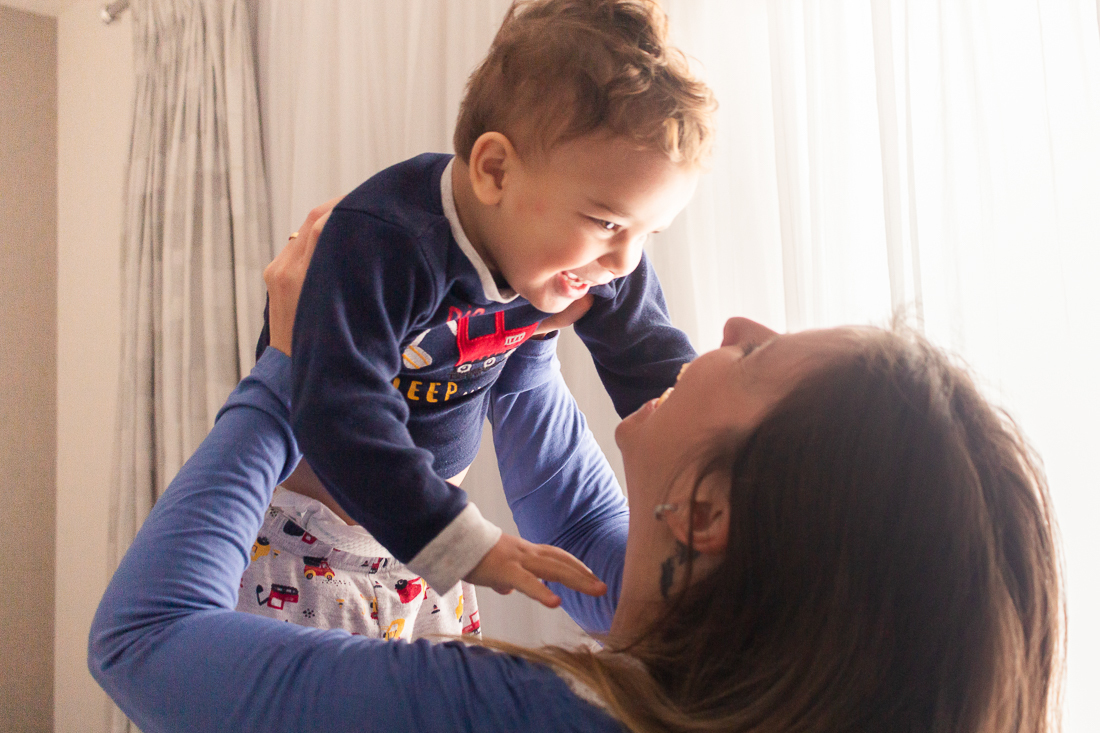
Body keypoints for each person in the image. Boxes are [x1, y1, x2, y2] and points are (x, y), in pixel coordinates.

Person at [90, 199, 1063, 732]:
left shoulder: (532, 716)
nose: (731, 325)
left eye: (761, 354)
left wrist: (294, 366)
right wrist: (525, 304)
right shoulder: (681, 678)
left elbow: (142, 643)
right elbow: (590, 541)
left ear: (710, 512)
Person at [257, 0, 715, 605]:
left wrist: (724, 468)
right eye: (608, 223)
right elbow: (338, 409)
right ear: (495, 170)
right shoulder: (384, 241)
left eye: (648, 235)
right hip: (306, 543)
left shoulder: (593, 253)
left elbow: (653, 364)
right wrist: (463, 543)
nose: (625, 262)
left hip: (424, 549)